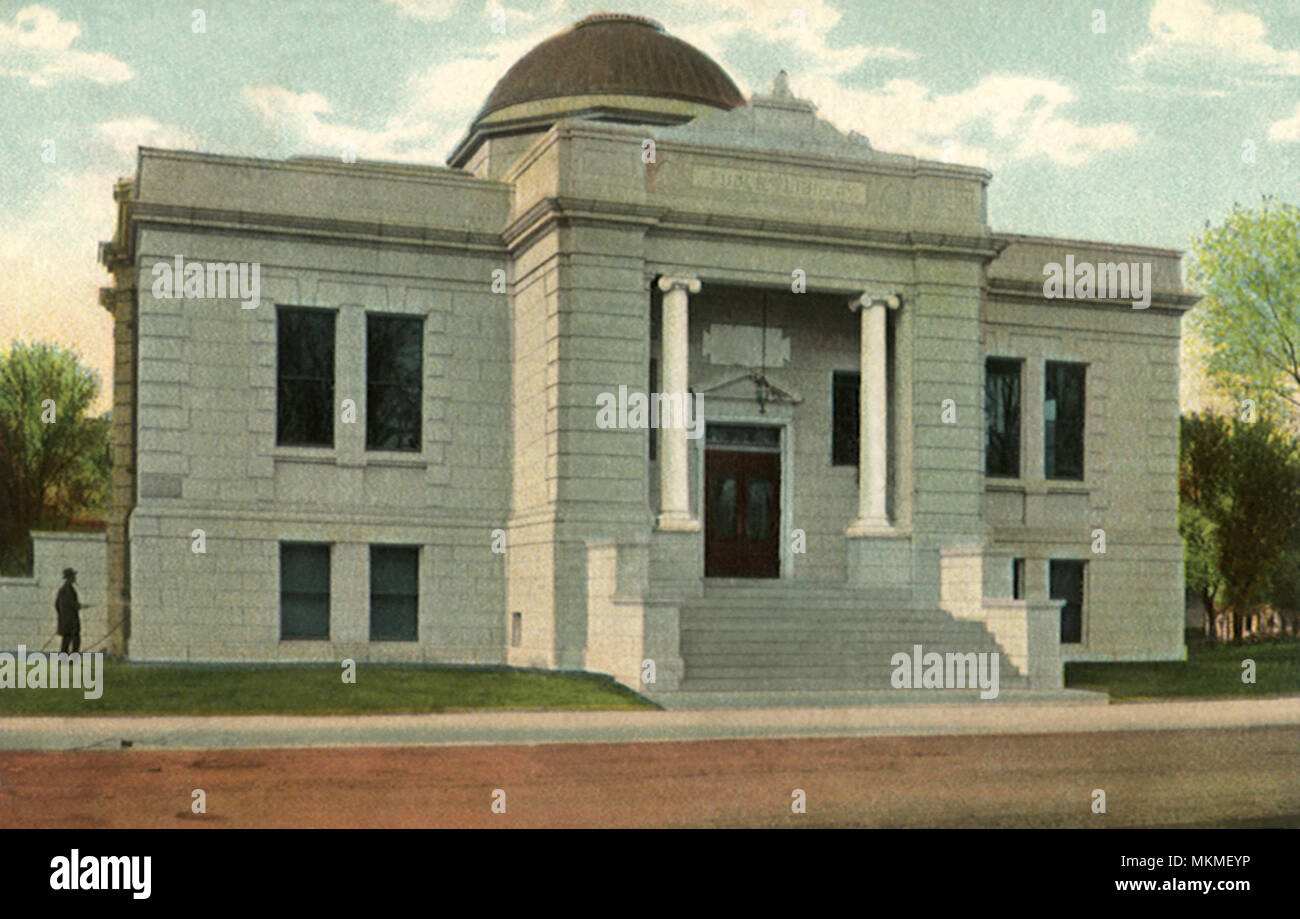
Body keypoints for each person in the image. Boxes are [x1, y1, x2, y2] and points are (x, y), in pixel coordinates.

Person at [55, 567, 82, 654]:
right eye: (73, 576)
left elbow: (57, 605)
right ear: (69, 577)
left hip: (66, 621)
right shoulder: (67, 590)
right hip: (70, 621)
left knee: (66, 642)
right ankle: (71, 660)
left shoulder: (65, 589)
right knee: (74, 641)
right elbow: (69, 604)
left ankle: (64, 660)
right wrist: (77, 606)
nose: (75, 578)